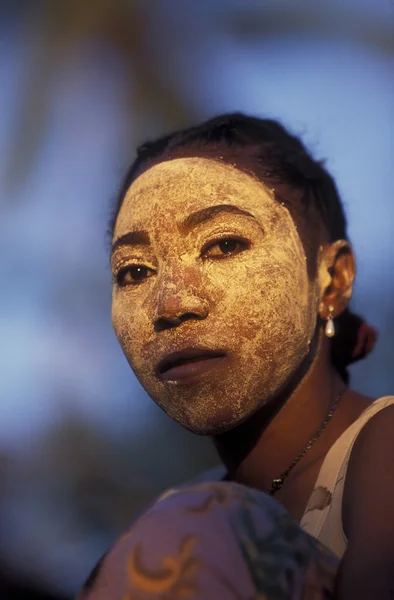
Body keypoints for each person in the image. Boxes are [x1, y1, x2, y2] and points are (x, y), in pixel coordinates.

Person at [77, 113, 392, 599]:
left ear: (333, 280)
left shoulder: (383, 448)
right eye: (135, 272)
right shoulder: (170, 514)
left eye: (223, 244)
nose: (170, 304)